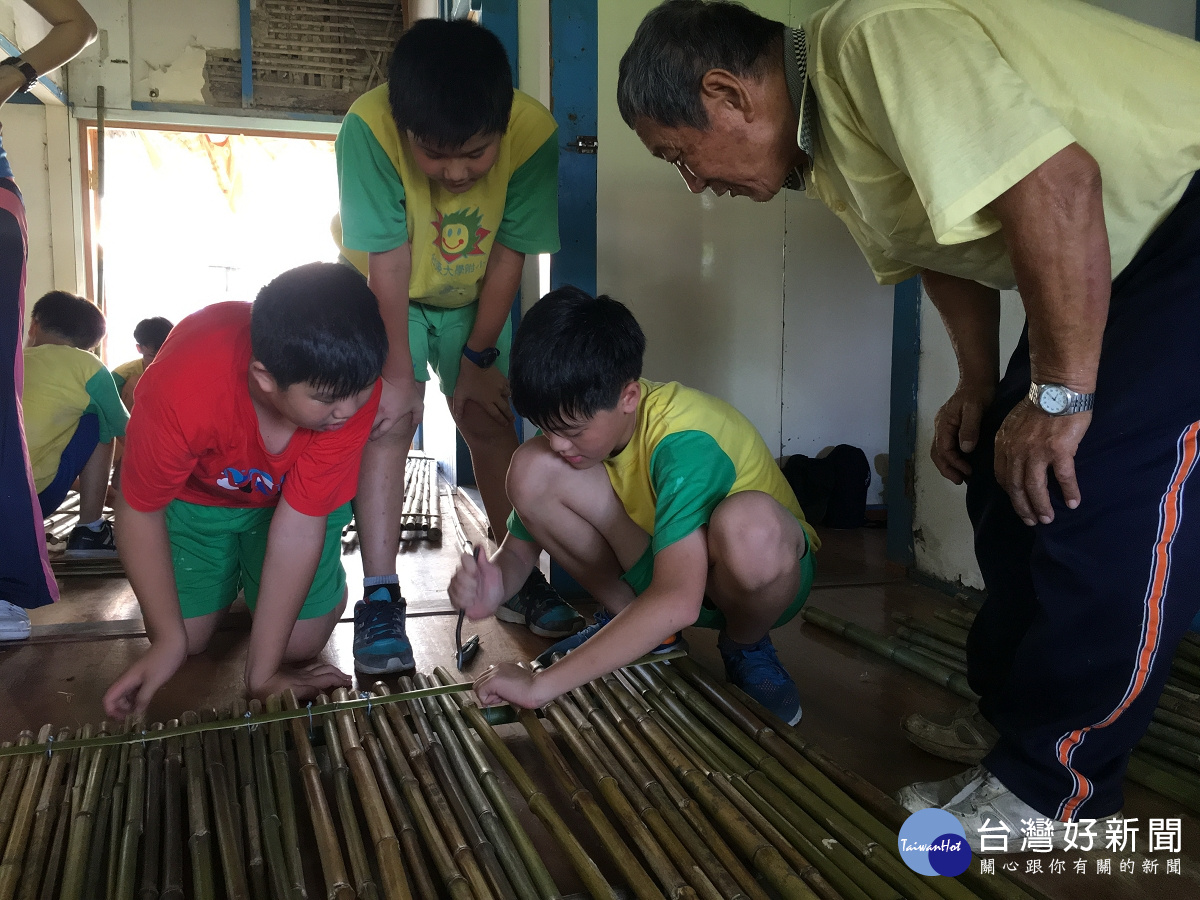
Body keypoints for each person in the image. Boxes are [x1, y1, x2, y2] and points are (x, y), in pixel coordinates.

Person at [617, 0, 1200, 849]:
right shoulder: (824, 150)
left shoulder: (871, 41)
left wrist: (1064, 398)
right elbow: (939, 244)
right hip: (1114, 243)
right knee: (1009, 471)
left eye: (681, 154)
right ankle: (1018, 729)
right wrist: (977, 384)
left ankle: (1054, 785)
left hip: (1176, 212)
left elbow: (1059, 182)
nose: (694, 183)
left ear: (727, 93)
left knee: (1098, 487)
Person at [333, 17, 583, 676]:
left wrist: (476, 361)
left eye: (475, 153)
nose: (454, 172)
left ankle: (517, 576)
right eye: (435, 153)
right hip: (392, 297)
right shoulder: (368, 129)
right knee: (389, 425)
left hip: (476, 299)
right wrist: (396, 376)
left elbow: (509, 256)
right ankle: (381, 597)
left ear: (502, 124)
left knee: (490, 420)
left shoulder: (534, 136)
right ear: (403, 123)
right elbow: (386, 268)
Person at [450, 286, 818, 725]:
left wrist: (539, 685)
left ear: (628, 397)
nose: (559, 442)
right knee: (532, 467)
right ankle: (639, 626)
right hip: (667, 574)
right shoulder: (577, 429)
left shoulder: (684, 439)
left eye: (571, 429)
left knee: (751, 528)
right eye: (547, 427)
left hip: (754, 578)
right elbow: (517, 550)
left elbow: (679, 598)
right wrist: (495, 586)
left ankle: (747, 644)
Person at [102, 263, 386, 718]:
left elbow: (299, 523)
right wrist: (169, 642)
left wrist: (262, 676)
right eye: (328, 399)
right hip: (198, 504)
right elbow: (139, 509)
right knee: (185, 641)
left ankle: (263, 583)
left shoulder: (347, 387)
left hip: (287, 505)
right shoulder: (182, 386)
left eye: (362, 390)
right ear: (265, 376)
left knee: (298, 644)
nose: (349, 411)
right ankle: (230, 577)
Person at [0, 0, 97, 641]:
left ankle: (6, 578)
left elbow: (78, 25)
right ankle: (87, 529)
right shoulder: (96, 371)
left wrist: (19, 69)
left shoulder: (91, 369)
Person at [22, 290, 127, 556]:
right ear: (89, 346)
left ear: (34, 325)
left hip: (8, 495)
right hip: (31, 500)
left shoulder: (12, 360)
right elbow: (128, 430)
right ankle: (90, 531)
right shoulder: (86, 365)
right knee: (97, 417)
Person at [111, 316, 173, 410]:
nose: (157, 362)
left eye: (164, 356)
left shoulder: (180, 369)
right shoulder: (121, 376)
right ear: (139, 348)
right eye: (152, 356)